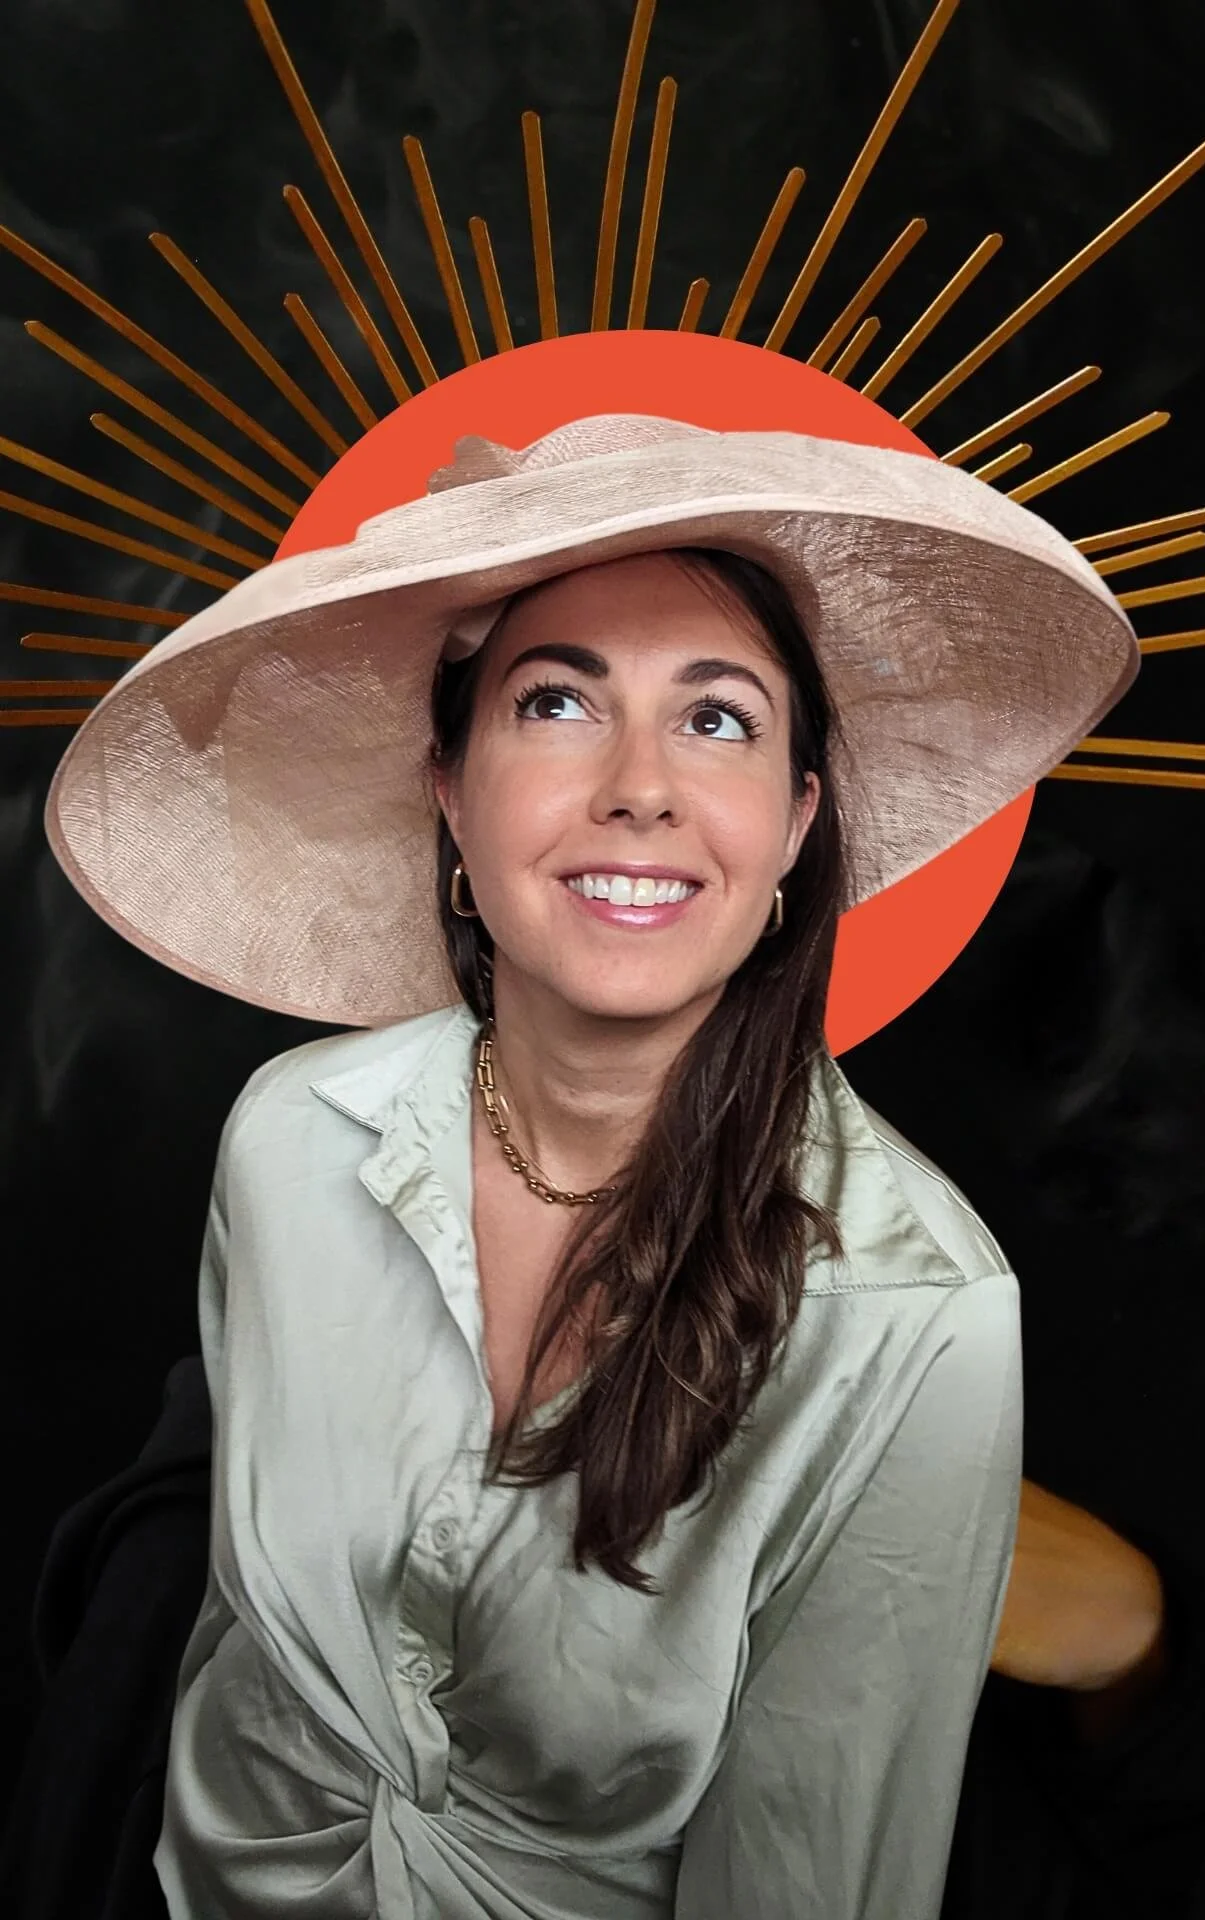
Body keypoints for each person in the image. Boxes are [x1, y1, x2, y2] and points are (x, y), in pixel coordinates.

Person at [39, 408, 1139, 1917]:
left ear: (796, 825)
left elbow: (808, 1881)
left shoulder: (916, 1317)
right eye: (557, 703)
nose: (641, 785)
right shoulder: (290, 1137)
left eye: (718, 720)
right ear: (450, 789)